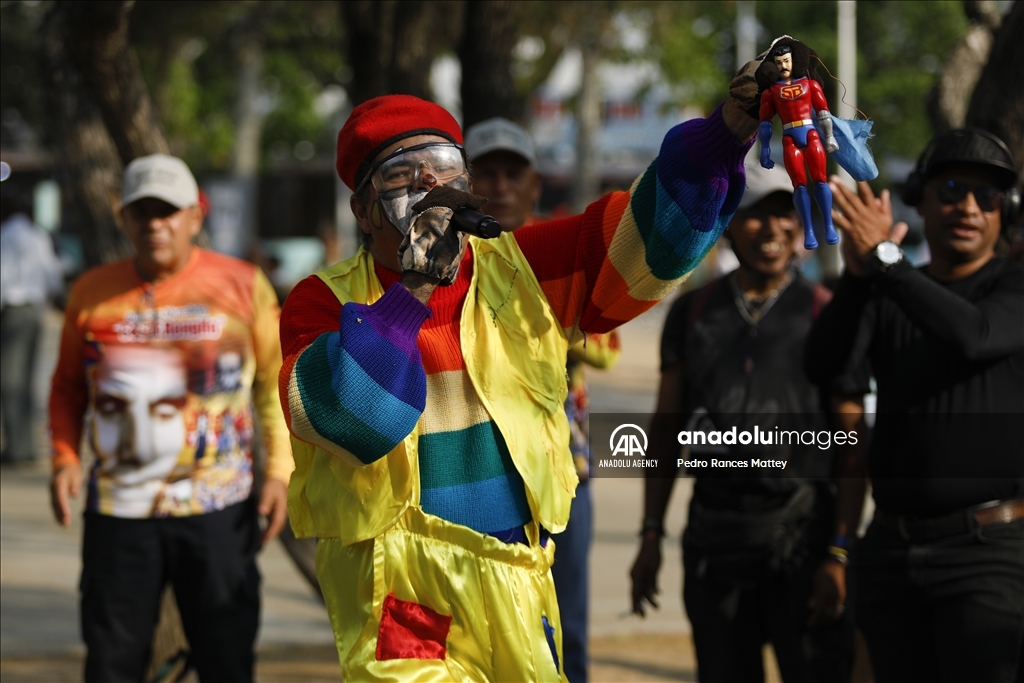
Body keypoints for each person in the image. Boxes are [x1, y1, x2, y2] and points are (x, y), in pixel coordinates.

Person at [280, 63, 763, 680]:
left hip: (519, 570)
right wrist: (416, 287)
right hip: (400, 584)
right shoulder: (320, 302)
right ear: (364, 209)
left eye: (445, 165)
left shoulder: (524, 265)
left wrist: (727, 132)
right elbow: (358, 418)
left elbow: (649, 242)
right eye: (402, 173)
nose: (431, 183)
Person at [48, 154, 293, 683]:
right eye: (142, 212)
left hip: (219, 508)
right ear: (124, 220)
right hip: (119, 510)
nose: (155, 224)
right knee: (112, 662)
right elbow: (67, 386)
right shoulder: (90, 293)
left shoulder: (243, 285)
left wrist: (279, 473)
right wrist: (64, 457)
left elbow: (273, 386)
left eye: (168, 212)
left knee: (226, 660)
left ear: (194, 217)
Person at [630, 150, 867, 682]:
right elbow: (665, 431)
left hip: (803, 542)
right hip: (715, 542)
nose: (773, 228)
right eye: (757, 213)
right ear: (729, 223)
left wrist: (841, 551)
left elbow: (854, 442)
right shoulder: (692, 312)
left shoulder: (827, 313)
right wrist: (650, 533)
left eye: (786, 213)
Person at [805, 127, 1024, 683]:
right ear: (921, 202)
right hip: (893, 550)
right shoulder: (888, 288)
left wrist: (884, 258)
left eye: (988, 196)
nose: (968, 207)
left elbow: (973, 335)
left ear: (1006, 211)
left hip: (989, 554)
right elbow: (823, 369)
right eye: (951, 190)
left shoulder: (1014, 286)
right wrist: (858, 278)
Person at [465, 117, 621, 683]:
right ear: (466, 181)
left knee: (563, 620)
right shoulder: (444, 261)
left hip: (564, 467)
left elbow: (608, 349)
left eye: (514, 174)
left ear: (534, 186)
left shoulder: (561, 253)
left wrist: (546, 328)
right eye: (488, 173)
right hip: (474, 469)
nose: (501, 186)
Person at [757, 37, 840, 250]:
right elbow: (765, 123)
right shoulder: (771, 92)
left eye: (786, 60)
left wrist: (829, 137)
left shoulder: (810, 85)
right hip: (789, 137)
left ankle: (829, 225)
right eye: (779, 62)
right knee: (799, 186)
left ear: (794, 61)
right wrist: (764, 149)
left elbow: (823, 113)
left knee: (820, 180)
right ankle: (809, 230)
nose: (783, 66)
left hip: (810, 132)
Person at [0, 187, 64, 465]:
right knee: (26, 380)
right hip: (35, 311)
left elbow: (2, 277)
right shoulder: (38, 235)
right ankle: (26, 447)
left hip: (13, 311)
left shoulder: (7, 235)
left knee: (9, 380)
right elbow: (53, 276)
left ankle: (16, 448)